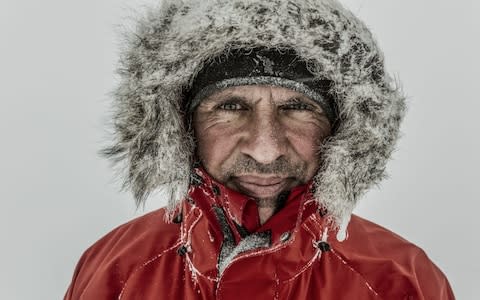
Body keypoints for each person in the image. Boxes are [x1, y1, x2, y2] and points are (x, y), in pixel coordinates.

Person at [65, 0, 455, 299]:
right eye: (231, 107)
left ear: (340, 130)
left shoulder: (399, 281)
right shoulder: (113, 271)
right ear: (181, 126)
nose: (266, 150)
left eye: (298, 107)